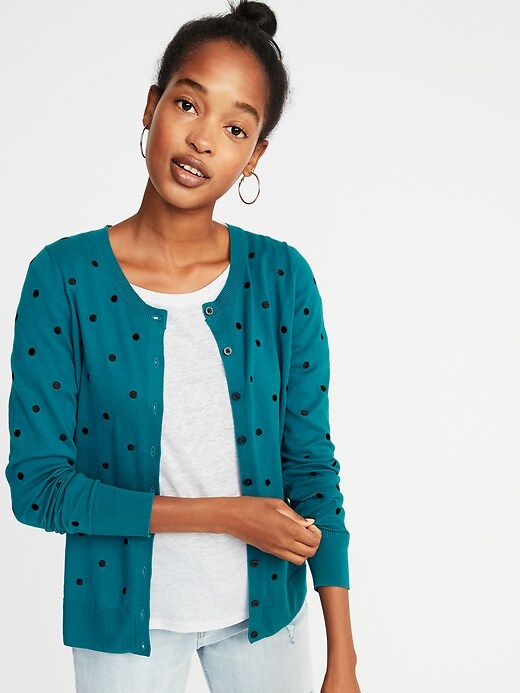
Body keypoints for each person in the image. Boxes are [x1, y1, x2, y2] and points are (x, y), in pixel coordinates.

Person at [5, 1, 360, 691]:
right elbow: (38, 487)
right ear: (151, 107)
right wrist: (225, 516)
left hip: (269, 617)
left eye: (235, 127)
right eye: (188, 104)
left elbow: (311, 466)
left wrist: (343, 657)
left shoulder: (282, 278)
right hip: (123, 627)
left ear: (254, 156)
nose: (202, 139)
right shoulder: (65, 278)